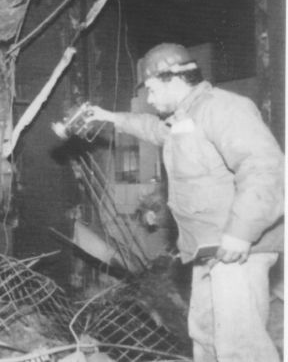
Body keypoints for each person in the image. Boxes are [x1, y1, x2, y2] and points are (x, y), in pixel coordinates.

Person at [86, 43, 284, 362]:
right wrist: (110, 118)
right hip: (207, 249)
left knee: (240, 345)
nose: (148, 100)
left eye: (151, 89)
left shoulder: (222, 108)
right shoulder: (184, 118)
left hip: (237, 248)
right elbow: (153, 129)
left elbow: (264, 168)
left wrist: (241, 232)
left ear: (173, 78)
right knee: (205, 335)